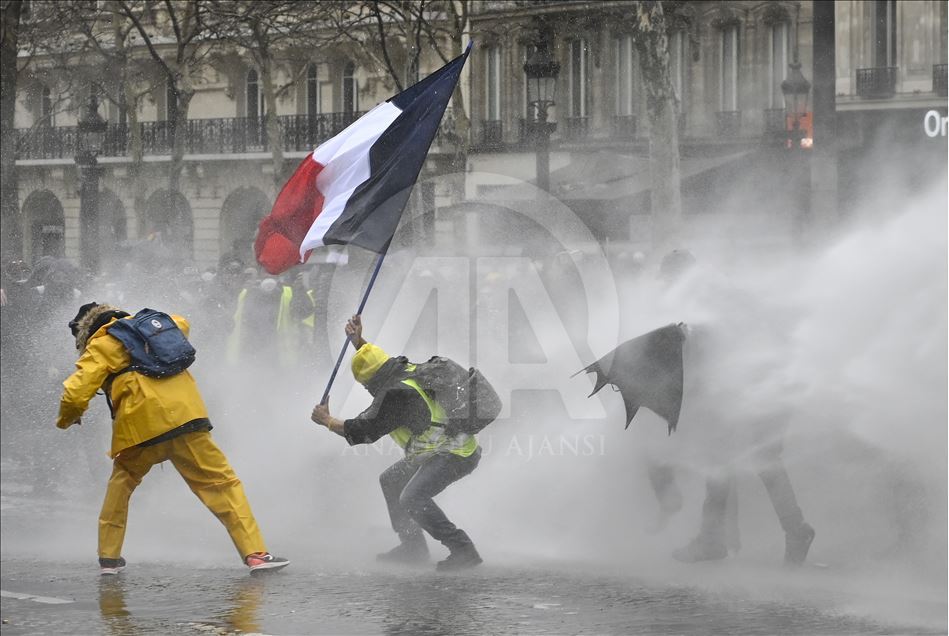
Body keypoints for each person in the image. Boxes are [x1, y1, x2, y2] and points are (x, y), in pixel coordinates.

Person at [56, 302, 290, 575]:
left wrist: (68, 419)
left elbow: (74, 393)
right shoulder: (148, 327)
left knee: (119, 489)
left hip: (139, 429)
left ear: (85, 332)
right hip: (185, 420)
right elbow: (182, 324)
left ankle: (109, 559)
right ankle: (256, 555)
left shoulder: (100, 346)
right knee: (222, 485)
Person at [654, 249, 816, 565]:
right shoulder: (715, 293)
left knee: (752, 458)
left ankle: (792, 531)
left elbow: (713, 355)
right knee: (725, 459)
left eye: (669, 279)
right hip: (764, 382)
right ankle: (717, 539)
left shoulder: (705, 300)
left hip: (763, 384)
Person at [310, 315, 483, 571]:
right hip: (445, 447)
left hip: (455, 453)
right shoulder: (404, 369)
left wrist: (327, 420)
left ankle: (463, 549)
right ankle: (412, 548)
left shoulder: (395, 396)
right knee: (391, 480)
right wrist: (360, 345)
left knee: (413, 497)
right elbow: (375, 365)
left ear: (369, 382)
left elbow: (361, 432)